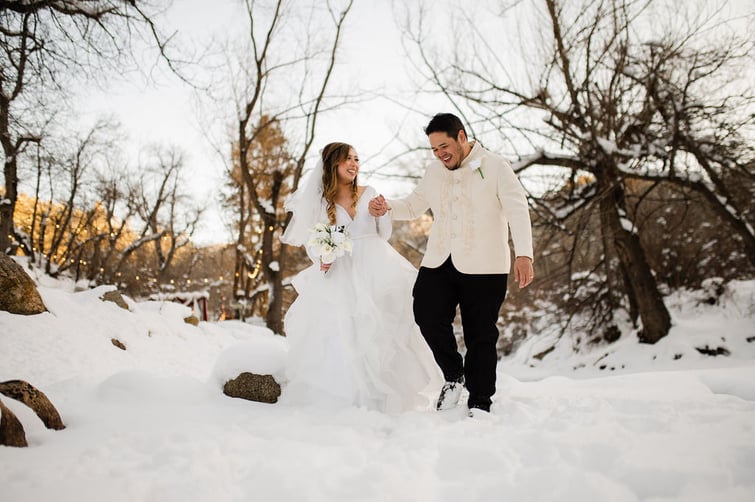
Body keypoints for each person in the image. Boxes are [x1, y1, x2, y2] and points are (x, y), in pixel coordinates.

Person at [368, 113, 534, 417]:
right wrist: (386, 206)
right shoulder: (434, 172)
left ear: (461, 136)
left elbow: (517, 210)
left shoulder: (496, 166)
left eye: (444, 146)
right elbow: (413, 205)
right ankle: (454, 375)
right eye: (434, 149)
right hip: (440, 261)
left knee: (480, 333)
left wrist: (525, 254)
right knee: (425, 313)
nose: (440, 154)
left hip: (486, 266)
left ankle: (480, 400)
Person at [280, 142, 441, 413]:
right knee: (345, 330)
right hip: (341, 270)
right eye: (347, 160)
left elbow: (383, 233)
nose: (354, 164)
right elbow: (313, 240)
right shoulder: (321, 202)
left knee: (381, 328)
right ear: (333, 164)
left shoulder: (370, 193)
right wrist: (323, 257)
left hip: (377, 266)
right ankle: (348, 399)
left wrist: (381, 214)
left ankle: (387, 400)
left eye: (356, 158)